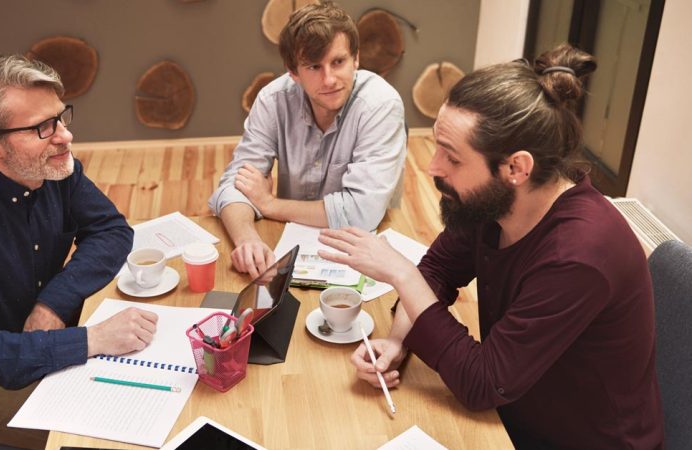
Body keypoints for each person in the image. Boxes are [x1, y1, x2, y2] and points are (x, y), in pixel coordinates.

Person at [319, 44, 664, 448]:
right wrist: (397, 341)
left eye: (452, 157)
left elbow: (484, 383)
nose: (433, 168)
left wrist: (399, 271)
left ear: (516, 168)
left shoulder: (580, 254)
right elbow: (438, 272)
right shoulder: (492, 203)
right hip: (514, 416)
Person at [0, 54, 158, 449]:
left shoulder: (51, 166)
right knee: (114, 431)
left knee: (152, 392)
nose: (64, 136)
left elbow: (110, 229)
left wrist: (52, 303)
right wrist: (89, 341)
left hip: (32, 343)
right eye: (42, 127)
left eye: (60, 117)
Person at [208, 1, 407, 279]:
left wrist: (269, 204)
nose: (329, 80)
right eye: (314, 66)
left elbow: (362, 213)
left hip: (364, 247)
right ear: (293, 72)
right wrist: (247, 239)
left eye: (338, 62)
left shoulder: (381, 105)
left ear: (356, 59)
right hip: (290, 237)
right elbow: (233, 186)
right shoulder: (273, 99)